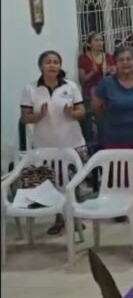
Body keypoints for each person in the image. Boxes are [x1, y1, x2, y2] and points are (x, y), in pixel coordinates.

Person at [20, 51, 88, 234]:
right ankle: (59, 218)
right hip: (45, 146)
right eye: (48, 62)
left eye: (56, 62)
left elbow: (82, 112)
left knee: (73, 183)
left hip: (72, 143)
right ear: (41, 66)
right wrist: (39, 116)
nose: (52, 65)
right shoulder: (30, 88)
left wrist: (72, 114)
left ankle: (74, 217)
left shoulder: (70, 86)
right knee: (53, 185)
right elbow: (25, 118)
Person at [93, 47, 133, 201]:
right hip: (115, 138)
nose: (126, 63)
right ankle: (120, 206)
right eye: (121, 60)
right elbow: (97, 108)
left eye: (129, 59)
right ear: (115, 63)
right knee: (119, 177)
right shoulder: (106, 83)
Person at [78, 32, 115, 144]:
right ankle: (92, 147)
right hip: (90, 94)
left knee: (104, 121)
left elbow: (114, 73)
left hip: (105, 93)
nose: (99, 43)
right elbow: (82, 80)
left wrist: (111, 71)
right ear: (89, 44)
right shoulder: (84, 58)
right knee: (89, 124)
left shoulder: (107, 56)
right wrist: (92, 73)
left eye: (101, 40)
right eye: (96, 40)